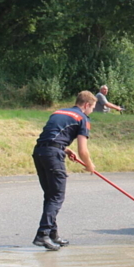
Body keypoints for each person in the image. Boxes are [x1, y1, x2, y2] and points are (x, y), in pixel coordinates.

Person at [32, 91, 97, 251]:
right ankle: (43, 234)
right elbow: (83, 150)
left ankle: (53, 235)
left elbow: (50, 137)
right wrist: (89, 165)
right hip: (53, 155)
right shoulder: (83, 118)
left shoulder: (59, 112)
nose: (92, 111)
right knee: (56, 197)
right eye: (93, 108)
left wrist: (66, 150)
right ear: (87, 105)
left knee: (50, 196)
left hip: (39, 153)